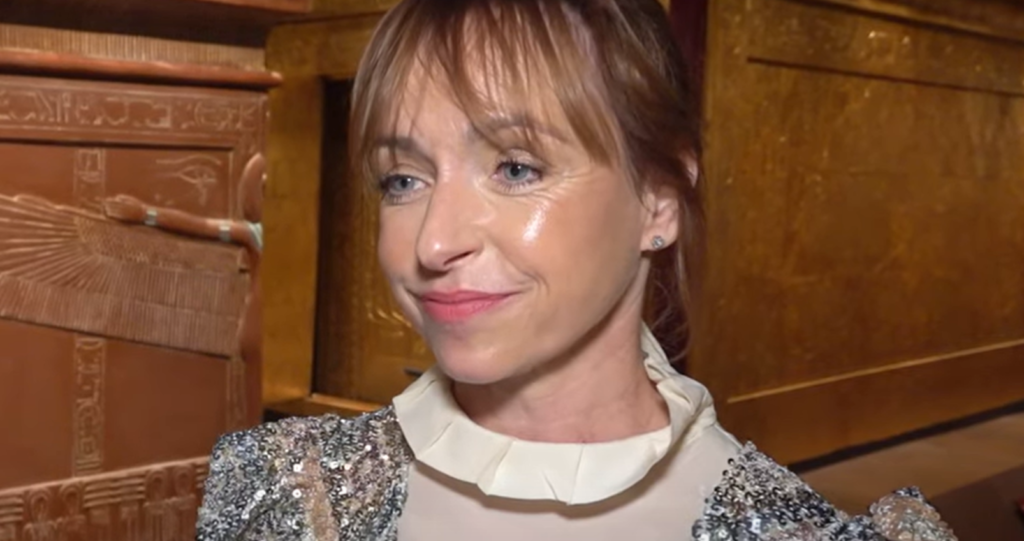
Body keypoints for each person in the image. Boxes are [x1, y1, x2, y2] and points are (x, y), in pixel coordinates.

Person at [195, 1, 957, 539]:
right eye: (404, 178)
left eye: (516, 168)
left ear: (659, 200)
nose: (434, 241)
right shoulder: (287, 494)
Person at [103, 153, 266, 428]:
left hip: (271, 329)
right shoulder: (256, 234)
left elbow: (204, 227)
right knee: (257, 409)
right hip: (260, 328)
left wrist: (146, 213)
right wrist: (146, 214)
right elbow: (202, 226)